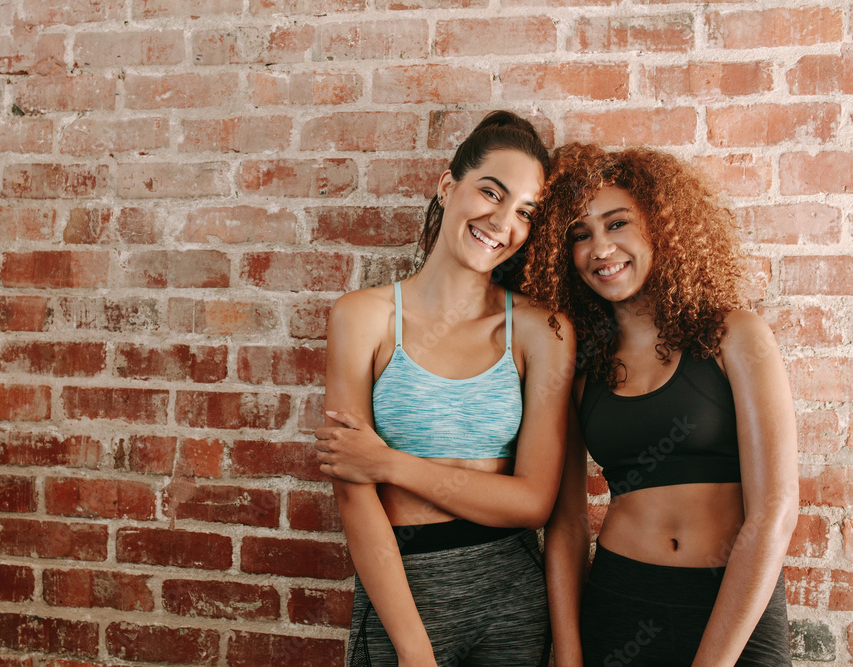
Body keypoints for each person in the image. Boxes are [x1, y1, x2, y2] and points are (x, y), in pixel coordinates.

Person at [315, 111, 575, 666]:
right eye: (491, 192)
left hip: (512, 597)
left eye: (524, 212)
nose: (503, 222)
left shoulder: (541, 331)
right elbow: (353, 495)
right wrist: (414, 652)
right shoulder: (363, 317)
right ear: (447, 185)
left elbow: (532, 502)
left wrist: (388, 464)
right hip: (402, 596)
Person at [527, 143, 798, 666]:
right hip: (621, 600)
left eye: (617, 224)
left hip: (734, 605)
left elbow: (774, 513)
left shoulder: (735, 336)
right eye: (580, 235)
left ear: (660, 226)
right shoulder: (581, 370)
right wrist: (568, 654)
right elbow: (566, 524)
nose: (599, 249)